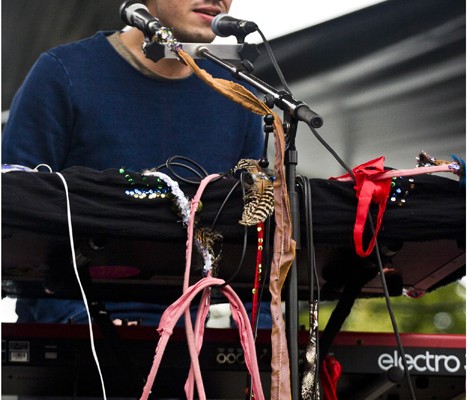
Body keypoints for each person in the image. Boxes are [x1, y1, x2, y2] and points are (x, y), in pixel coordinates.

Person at [2, 0, 267, 326]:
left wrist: (259, 338)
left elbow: (257, 236)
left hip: (199, 342)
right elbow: (14, 225)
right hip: (80, 338)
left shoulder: (237, 93)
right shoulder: (62, 73)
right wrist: (76, 322)